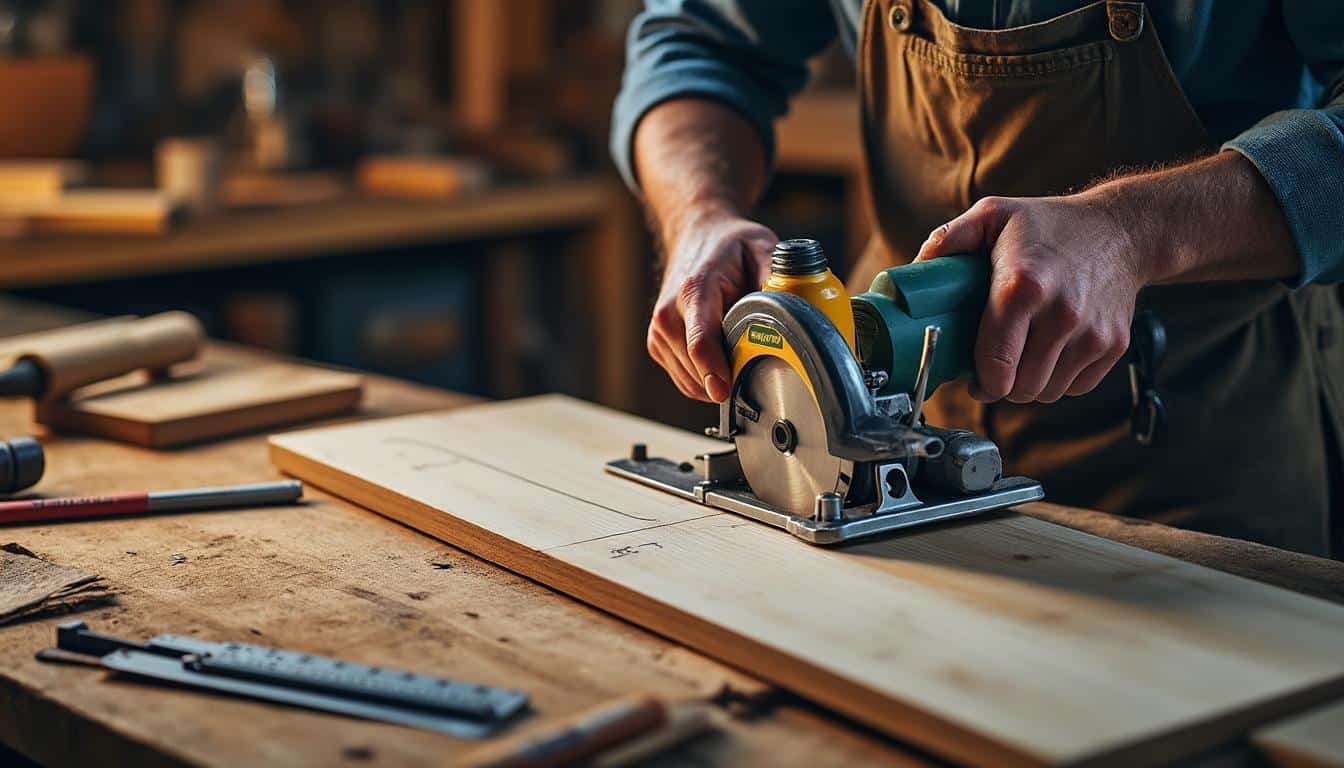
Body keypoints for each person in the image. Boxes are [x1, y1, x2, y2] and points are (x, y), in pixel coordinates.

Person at [610, 0, 1344, 557]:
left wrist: (1131, 231)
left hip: (1197, 418)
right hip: (875, 387)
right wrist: (699, 213)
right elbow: (699, 43)